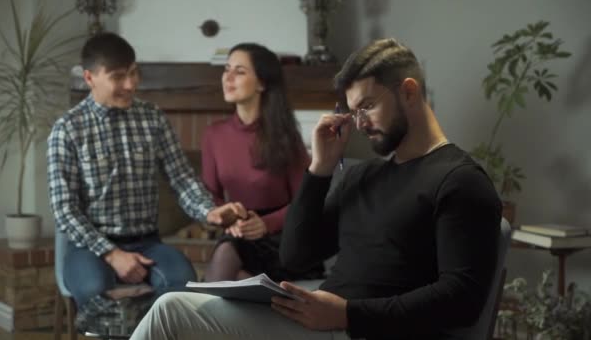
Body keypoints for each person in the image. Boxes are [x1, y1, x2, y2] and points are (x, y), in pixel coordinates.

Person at [130, 38, 502, 340]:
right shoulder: (363, 177)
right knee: (177, 306)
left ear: (408, 92)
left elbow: (462, 299)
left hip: (365, 329)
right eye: (354, 111)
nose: (360, 123)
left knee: (169, 313)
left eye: (368, 106)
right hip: (322, 321)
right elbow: (295, 256)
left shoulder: (460, 181)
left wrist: (348, 314)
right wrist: (319, 168)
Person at [47, 32, 247, 310]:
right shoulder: (67, 129)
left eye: (133, 73)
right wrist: (112, 253)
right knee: (96, 291)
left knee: (182, 282)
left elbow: (181, 178)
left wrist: (208, 211)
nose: (130, 84)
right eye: (118, 77)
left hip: (147, 243)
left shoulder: (152, 118)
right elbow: (65, 210)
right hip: (89, 248)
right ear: (89, 78)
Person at [201, 43, 325, 282]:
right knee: (231, 253)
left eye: (239, 71)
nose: (228, 77)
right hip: (238, 230)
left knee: (231, 261)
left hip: (281, 237)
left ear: (262, 83)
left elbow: (306, 200)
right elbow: (210, 195)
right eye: (226, 69)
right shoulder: (213, 135)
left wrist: (267, 224)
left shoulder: (285, 135)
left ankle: (198, 316)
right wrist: (230, 219)